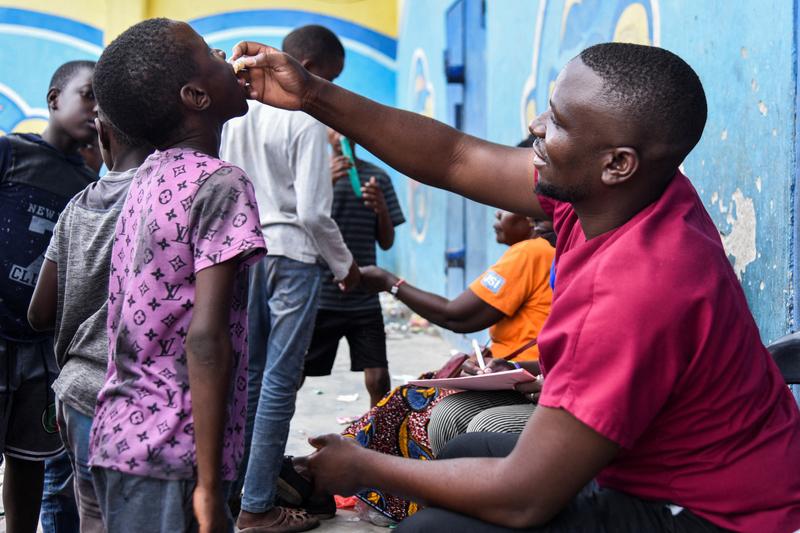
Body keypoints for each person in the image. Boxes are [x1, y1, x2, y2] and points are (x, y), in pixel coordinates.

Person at [231, 40, 800, 532]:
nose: (536, 127)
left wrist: (362, 467)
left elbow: (523, 499)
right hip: (676, 464)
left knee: (432, 527)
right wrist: (312, 94)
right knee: (466, 447)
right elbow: (454, 157)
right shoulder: (625, 195)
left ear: (617, 163)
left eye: (558, 121)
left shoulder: (630, 292)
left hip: (722, 514)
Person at [86, 19, 266, 533]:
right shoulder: (221, 183)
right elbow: (205, 338)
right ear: (196, 96)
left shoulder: (149, 175)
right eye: (210, 52)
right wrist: (208, 485)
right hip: (175, 450)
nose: (224, 54)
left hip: (121, 434)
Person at [220, 25, 358, 532]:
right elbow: (314, 213)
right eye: (330, 78)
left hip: (244, 254)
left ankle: (237, 495)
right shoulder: (305, 121)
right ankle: (258, 505)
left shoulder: (236, 115)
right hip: (292, 257)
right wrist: (345, 266)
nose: (328, 89)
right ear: (309, 67)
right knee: (279, 382)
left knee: (250, 379)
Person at [338, 208, 553, 523]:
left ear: (532, 220)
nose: (496, 213)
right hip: (514, 370)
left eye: (509, 208)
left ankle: (391, 496)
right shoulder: (546, 254)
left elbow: (457, 315)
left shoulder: (531, 251)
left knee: (416, 406)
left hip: (525, 379)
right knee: (434, 405)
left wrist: (390, 282)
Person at [28, 106, 153, 533]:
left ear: (101, 133)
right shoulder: (166, 195)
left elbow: (39, 313)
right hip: (134, 396)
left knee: (93, 514)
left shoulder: (77, 206)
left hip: (75, 393)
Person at [0, 60, 98, 533]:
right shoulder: (10, 155)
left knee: (30, 459)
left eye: (105, 103)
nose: (96, 110)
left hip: (42, 347)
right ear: (55, 99)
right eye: (88, 94)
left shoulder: (89, 188)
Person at [304, 129, 405, 407]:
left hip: (363, 295)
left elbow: (386, 242)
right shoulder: (312, 175)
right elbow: (303, 228)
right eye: (332, 128)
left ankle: (377, 431)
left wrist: (381, 208)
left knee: (379, 378)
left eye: (345, 127)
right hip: (321, 296)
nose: (341, 134)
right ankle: (275, 430)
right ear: (324, 133)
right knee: (295, 372)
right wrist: (322, 185)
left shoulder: (377, 177)